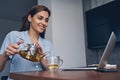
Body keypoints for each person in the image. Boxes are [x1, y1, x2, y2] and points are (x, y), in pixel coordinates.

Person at [0, 5, 53, 74]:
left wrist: (41, 59)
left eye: (46, 20)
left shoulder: (48, 44)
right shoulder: (13, 36)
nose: (44, 23)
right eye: (40, 18)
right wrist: (5, 55)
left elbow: (52, 73)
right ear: (30, 18)